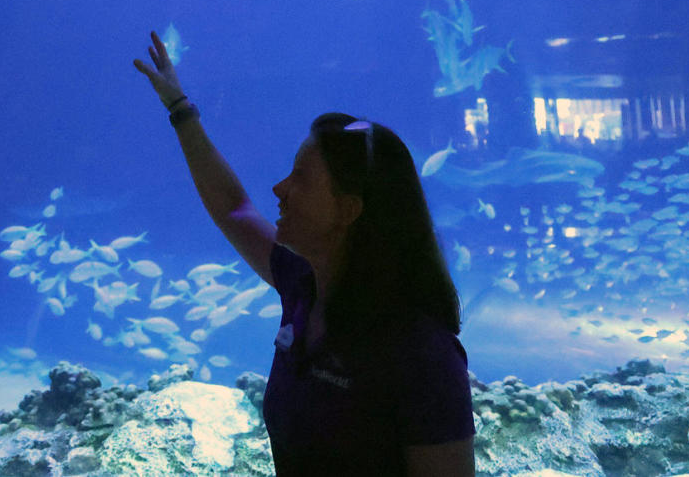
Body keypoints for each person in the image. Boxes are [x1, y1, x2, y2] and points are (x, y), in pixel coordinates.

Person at [134, 30, 476, 477]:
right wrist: (181, 110)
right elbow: (234, 209)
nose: (279, 189)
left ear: (349, 209)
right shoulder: (303, 288)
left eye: (301, 178)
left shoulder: (422, 356)